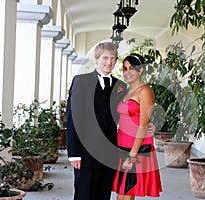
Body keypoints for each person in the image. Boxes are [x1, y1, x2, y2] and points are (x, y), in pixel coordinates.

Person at [66, 42, 127, 200]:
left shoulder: (120, 86)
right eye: (105, 58)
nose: (109, 62)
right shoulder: (81, 81)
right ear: (96, 58)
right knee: (84, 195)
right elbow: (73, 118)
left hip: (109, 152)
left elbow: (124, 116)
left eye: (113, 58)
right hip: (85, 154)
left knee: (104, 195)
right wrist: (74, 153)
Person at [112, 53, 162, 199]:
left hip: (135, 148)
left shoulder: (145, 91)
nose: (127, 72)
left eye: (132, 68)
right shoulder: (125, 91)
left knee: (125, 194)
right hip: (121, 145)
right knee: (123, 194)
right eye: (125, 68)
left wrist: (132, 156)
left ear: (140, 70)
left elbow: (143, 125)